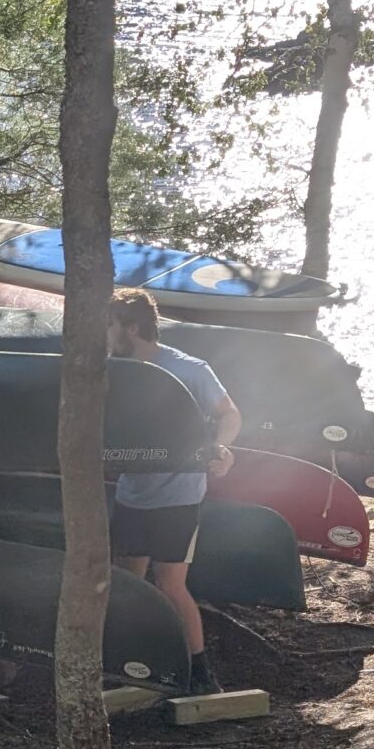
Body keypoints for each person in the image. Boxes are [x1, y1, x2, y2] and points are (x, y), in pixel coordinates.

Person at [107, 289, 241, 692]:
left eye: (111, 324)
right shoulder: (115, 368)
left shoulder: (188, 369)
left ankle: (200, 673)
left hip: (179, 496)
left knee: (169, 583)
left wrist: (221, 447)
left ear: (132, 327)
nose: (106, 333)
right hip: (132, 493)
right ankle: (128, 662)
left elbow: (229, 413)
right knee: (125, 580)